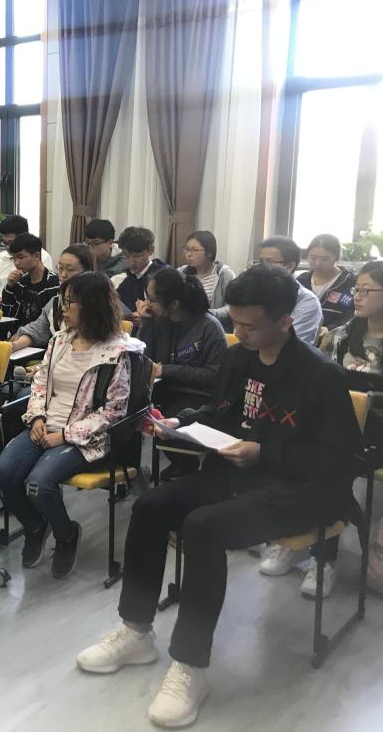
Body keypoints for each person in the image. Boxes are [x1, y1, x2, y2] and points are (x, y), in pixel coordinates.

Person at [75, 266, 363, 729]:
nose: (239, 332)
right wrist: (182, 423)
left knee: (203, 527)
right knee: (150, 506)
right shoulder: (237, 358)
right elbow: (222, 413)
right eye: (235, 321)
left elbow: (339, 458)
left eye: (250, 325)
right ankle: (136, 631)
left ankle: (190, 664)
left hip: (298, 490)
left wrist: (265, 450)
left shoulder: (319, 375)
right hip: (236, 473)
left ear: (285, 321)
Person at [0, 272, 133, 574]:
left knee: (38, 485)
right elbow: (40, 384)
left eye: (70, 303)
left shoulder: (117, 352)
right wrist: (37, 417)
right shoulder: (59, 341)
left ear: (92, 306)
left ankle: (66, 535)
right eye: (63, 301)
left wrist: (66, 435)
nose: (62, 309)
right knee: (1, 475)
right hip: (45, 425)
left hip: (84, 437)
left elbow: (113, 413)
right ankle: (35, 526)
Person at [321, 260, 383, 594]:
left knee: (334, 464)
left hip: (378, 432)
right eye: (355, 289)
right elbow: (322, 382)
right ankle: (321, 556)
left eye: (365, 290)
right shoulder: (343, 334)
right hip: (344, 424)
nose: (356, 296)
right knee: (317, 458)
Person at [137, 268, 227, 417]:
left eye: (152, 300)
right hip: (161, 391)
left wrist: (166, 370)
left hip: (195, 397)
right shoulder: (158, 320)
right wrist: (146, 323)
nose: (146, 304)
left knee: (155, 422)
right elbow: (143, 361)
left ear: (174, 304)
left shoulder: (209, 327)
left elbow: (214, 375)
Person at [11, 243, 96, 352]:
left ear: (88, 272)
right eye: (60, 268)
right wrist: (15, 345)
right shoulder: (55, 302)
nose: (63, 275)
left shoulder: (99, 303)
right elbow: (38, 329)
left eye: (70, 270)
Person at [255, 237, 322, 344]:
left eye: (269, 262)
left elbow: (291, 343)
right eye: (261, 262)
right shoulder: (254, 291)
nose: (262, 268)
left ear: (289, 266)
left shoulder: (307, 302)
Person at [1, 233, 59, 330]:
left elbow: (51, 324)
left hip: (39, 337)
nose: (16, 263)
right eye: (14, 258)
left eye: (21, 257)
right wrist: (10, 286)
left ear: (36, 256)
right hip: (17, 335)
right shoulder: (20, 282)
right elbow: (7, 315)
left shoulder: (53, 283)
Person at [296, 233, 355, 330]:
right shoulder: (301, 281)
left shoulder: (351, 282)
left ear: (337, 257)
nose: (318, 263)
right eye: (313, 258)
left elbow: (353, 315)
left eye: (325, 259)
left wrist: (329, 328)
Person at [111, 226, 168, 324]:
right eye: (126, 256)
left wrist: (149, 319)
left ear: (151, 250)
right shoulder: (128, 280)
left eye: (137, 256)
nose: (131, 263)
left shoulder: (164, 276)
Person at [178, 230, 235, 325]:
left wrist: (210, 314)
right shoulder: (181, 272)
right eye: (187, 249)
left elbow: (233, 306)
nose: (188, 254)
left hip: (214, 326)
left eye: (194, 250)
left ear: (209, 253)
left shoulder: (224, 274)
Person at [0, 214, 54, 291]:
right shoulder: (0, 258)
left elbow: (46, 289)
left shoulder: (41, 257)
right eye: (4, 243)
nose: (7, 247)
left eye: (11, 242)